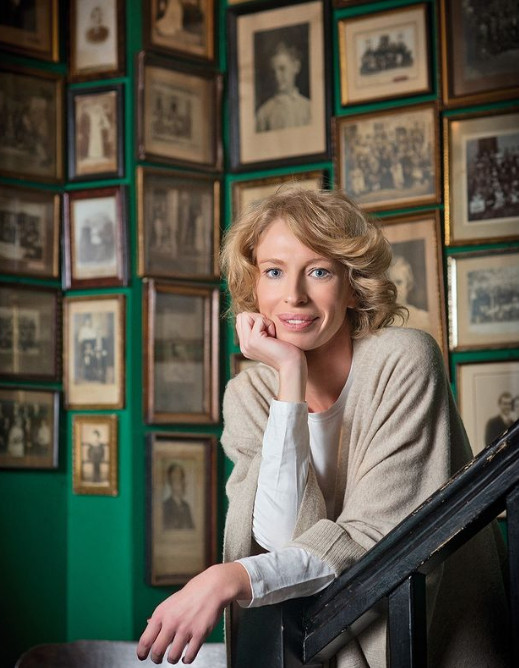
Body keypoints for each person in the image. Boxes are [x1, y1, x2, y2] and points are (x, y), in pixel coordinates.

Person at [137, 188, 509, 666]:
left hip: (433, 643)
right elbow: (279, 537)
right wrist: (290, 374)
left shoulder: (403, 360)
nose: (293, 295)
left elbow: (375, 542)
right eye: (274, 272)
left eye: (318, 272)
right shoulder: (249, 395)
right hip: (320, 645)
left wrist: (231, 577)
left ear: (353, 286)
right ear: (255, 287)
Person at [255, 42, 311, 133]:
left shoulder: (308, 108)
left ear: (296, 67)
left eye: (282, 69)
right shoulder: (264, 113)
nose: (277, 76)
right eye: (273, 72)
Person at [162, 463, 195, 530]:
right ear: (170, 482)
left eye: (181, 479)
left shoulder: (186, 507)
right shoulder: (164, 507)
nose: (180, 483)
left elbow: (192, 530)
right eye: (176, 479)